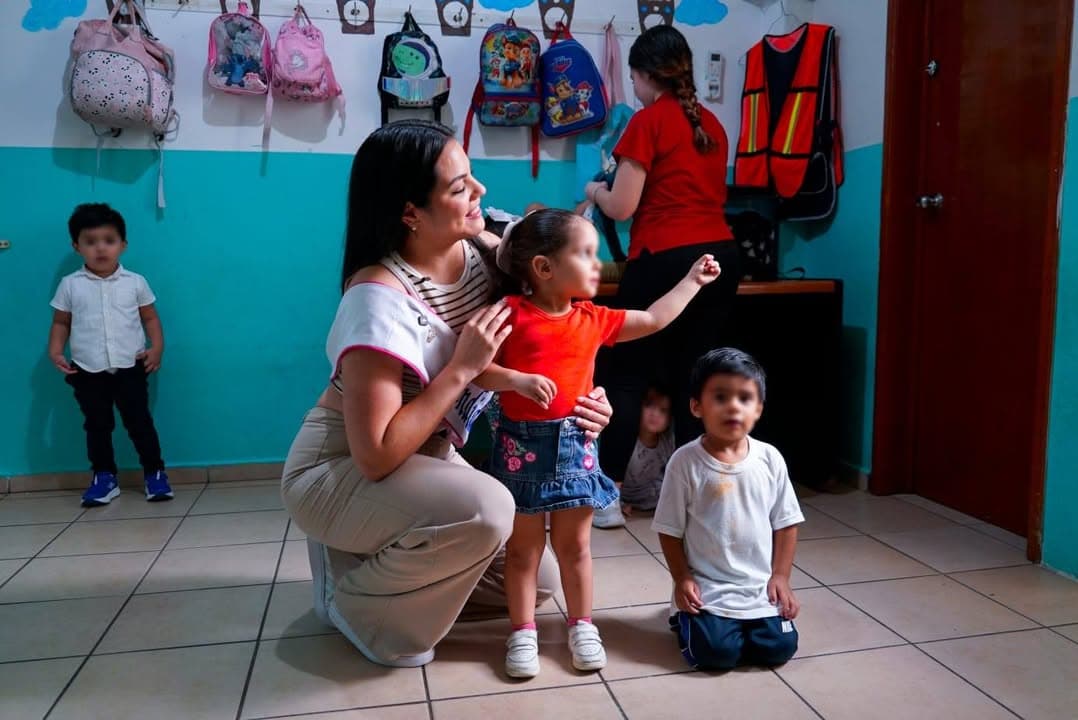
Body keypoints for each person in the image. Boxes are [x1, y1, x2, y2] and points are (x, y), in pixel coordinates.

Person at [279, 121, 614, 669]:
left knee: (542, 578)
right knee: (489, 511)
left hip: (427, 454)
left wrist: (590, 401)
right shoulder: (377, 298)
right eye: (459, 188)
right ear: (410, 213)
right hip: (342, 466)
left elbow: (564, 324)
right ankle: (352, 602)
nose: (479, 191)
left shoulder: (486, 252)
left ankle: (361, 554)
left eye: (472, 177)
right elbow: (378, 454)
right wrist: (460, 370)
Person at [481, 208, 720, 678]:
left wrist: (693, 280)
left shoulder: (593, 319)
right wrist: (515, 379)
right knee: (524, 552)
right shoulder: (509, 314)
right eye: (586, 254)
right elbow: (473, 367)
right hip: (519, 452)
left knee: (576, 548)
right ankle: (523, 631)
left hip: (575, 451)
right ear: (544, 268)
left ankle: (582, 625)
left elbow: (653, 318)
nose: (597, 264)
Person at [582, 25, 742, 485]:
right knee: (698, 375)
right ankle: (702, 488)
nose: (633, 88)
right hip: (719, 257)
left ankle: (607, 491)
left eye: (633, 78)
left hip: (665, 256)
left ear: (647, 75)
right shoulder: (711, 125)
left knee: (627, 375)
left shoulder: (647, 122)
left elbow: (623, 206)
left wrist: (595, 191)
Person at [653, 348, 803, 671]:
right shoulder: (685, 462)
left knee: (780, 648)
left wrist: (780, 576)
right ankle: (692, 624)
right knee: (716, 655)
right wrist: (682, 578)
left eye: (745, 398)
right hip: (708, 589)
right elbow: (669, 530)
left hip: (757, 586)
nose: (734, 406)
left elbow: (786, 523)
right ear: (696, 406)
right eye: (720, 397)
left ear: (758, 408)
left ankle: (744, 628)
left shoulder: (770, 459)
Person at [48, 203, 172, 507]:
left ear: (123, 245)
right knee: (97, 425)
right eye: (90, 242)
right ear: (77, 247)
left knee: (139, 422)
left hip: (130, 367)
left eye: (109, 240)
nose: (100, 248)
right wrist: (55, 350)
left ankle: (155, 474)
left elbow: (150, 318)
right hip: (87, 370)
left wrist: (156, 347)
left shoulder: (135, 282)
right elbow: (61, 322)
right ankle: (104, 477)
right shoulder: (70, 285)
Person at [592, 385, 676, 529]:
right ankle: (614, 503)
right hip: (624, 494)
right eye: (649, 406)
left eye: (663, 410)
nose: (655, 414)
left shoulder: (666, 443)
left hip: (649, 495)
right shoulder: (626, 442)